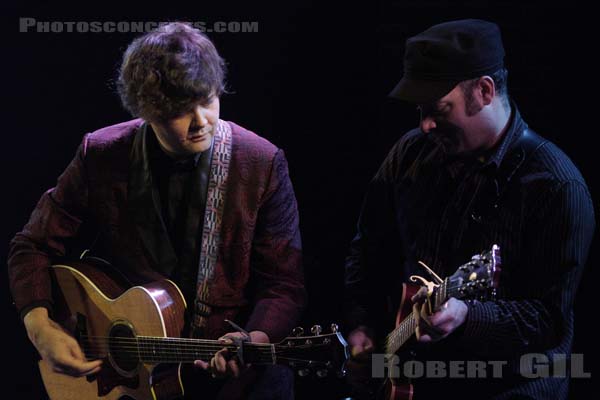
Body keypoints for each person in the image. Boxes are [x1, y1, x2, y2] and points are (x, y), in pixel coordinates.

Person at [8, 22, 305, 399]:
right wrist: (40, 327)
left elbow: (284, 284)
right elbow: (31, 245)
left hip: (241, 387)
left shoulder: (261, 163)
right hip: (132, 383)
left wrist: (253, 338)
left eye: (208, 100)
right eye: (180, 111)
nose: (201, 121)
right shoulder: (101, 154)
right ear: (146, 111)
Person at [344, 19, 594, 399]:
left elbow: (548, 320)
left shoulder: (556, 187)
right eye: (420, 110)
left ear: (484, 91)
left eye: (439, 109)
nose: (426, 125)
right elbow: (368, 251)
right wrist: (363, 327)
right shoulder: (409, 155)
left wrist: (467, 316)